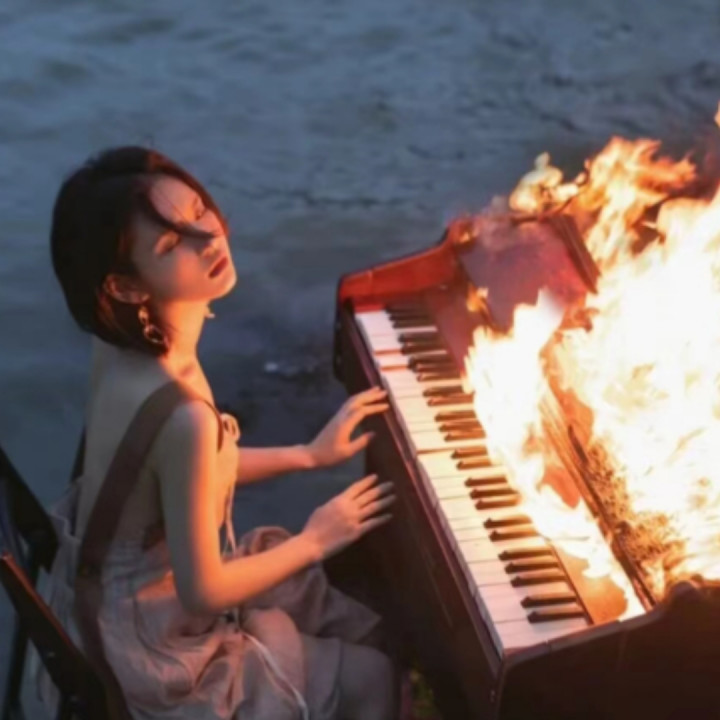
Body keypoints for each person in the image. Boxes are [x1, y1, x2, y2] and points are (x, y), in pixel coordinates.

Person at [31, 146, 397, 720]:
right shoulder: (184, 417)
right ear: (125, 287)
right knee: (373, 674)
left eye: (199, 211)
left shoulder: (119, 347)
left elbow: (180, 474)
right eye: (171, 244)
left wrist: (308, 454)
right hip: (152, 640)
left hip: (104, 593)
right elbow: (204, 590)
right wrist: (315, 538)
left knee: (351, 619)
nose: (209, 239)